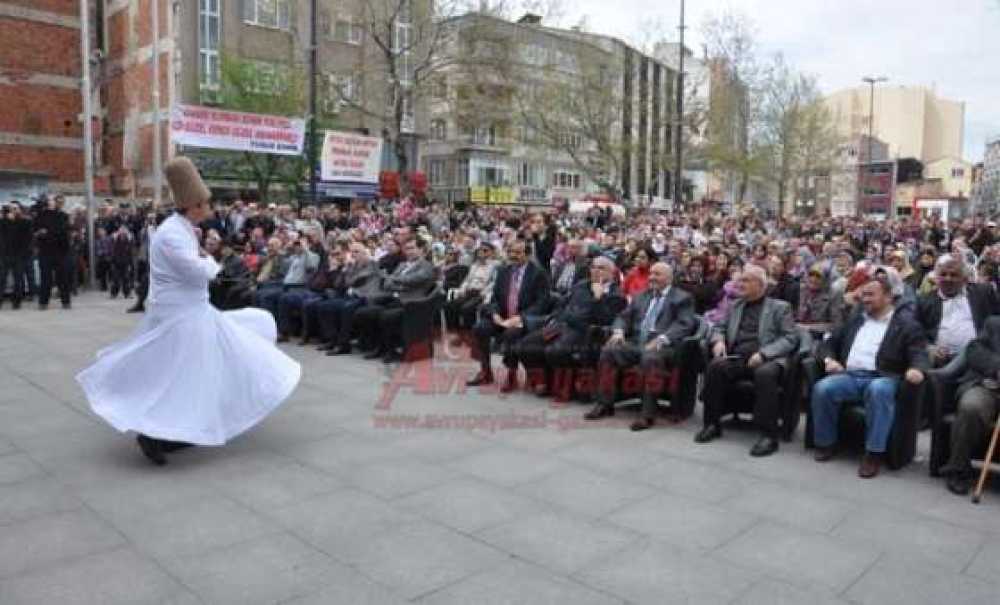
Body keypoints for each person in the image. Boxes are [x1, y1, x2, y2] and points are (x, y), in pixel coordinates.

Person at [76, 157, 301, 466]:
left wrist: (207, 260)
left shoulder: (181, 229)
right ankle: (155, 433)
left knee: (194, 372)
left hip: (190, 311)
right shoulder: (172, 234)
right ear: (194, 204)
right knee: (180, 376)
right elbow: (198, 271)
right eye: (206, 204)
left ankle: (172, 431)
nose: (209, 210)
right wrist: (212, 262)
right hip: (182, 317)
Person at [811, 276, 928, 478]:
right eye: (863, 294)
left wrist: (917, 369)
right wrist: (830, 360)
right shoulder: (855, 321)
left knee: (879, 390)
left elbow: (919, 353)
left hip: (883, 376)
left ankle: (874, 453)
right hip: (850, 376)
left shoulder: (907, 325)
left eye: (870, 295)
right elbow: (827, 344)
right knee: (823, 389)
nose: (864, 299)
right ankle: (826, 443)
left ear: (889, 297)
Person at [696, 265, 798, 457]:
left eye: (745, 280)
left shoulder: (780, 307)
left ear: (760, 285)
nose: (739, 284)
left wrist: (764, 354)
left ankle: (769, 436)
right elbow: (719, 327)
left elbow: (790, 338)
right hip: (739, 357)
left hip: (768, 358)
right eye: (739, 280)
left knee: (764, 374)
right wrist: (718, 340)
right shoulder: (734, 305)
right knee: (715, 367)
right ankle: (712, 424)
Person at [584, 262, 697, 431]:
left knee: (650, 358)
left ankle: (647, 414)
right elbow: (623, 317)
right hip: (637, 342)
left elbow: (684, 324)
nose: (652, 277)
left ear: (669, 278)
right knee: (609, 351)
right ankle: (604, 404)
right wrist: (619, 331)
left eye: (657, 274)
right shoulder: (641, 296)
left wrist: (662, 339)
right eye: (651, 273)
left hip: (663, 346)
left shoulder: (682, 298)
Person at [466, 239, 550, 391]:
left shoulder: (538, 273)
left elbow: (542, 304)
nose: (513, 255)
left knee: (512, 333)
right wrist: (495, 314)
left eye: (518, 253)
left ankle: (511, 373)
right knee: (480, 328)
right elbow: (495, 298)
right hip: (503, 317)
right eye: (511, 252)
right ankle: (485, 371)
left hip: (523, 319)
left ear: (528, 255)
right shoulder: (504, 271)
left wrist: (520, 318)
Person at [939, 316, 1000, 495]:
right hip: (988, 386)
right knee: (971, 407)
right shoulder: (994, 323)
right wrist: (997, 368)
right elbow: (974, 350)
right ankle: (958, 470)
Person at [33, 194, 72, 310]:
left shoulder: (63, 216)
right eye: (50, 200)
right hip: (45, 252)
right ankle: (43, 303)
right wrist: (39, 233)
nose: (51, 202)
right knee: (45, 279)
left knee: (62, 279)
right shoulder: (40, 215)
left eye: (52, 200)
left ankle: (66, 302)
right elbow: (34, 231)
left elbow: (65, 232)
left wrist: (48, 233)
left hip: (60, 252)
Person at [0, 202, 32, 310]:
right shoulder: (3, 222)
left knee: (18, 280)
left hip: (19, 256)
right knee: (2, 279)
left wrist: (24, 253)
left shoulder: (24, 222)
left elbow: (28, 237)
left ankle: (17, 302)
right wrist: (6, 218)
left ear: (19, 210)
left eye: (15, 208)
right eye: (11, 208)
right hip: (4, 255)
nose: (13, 210)